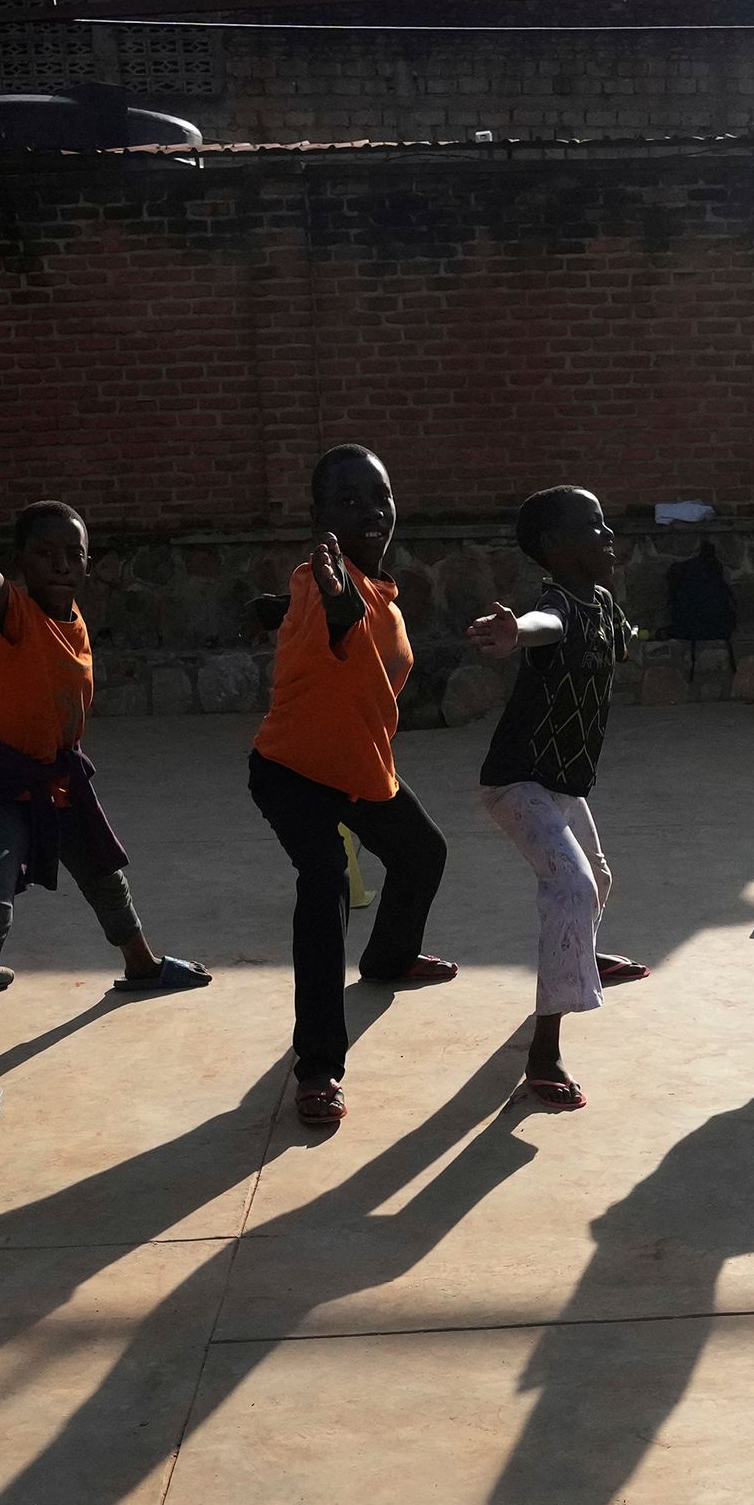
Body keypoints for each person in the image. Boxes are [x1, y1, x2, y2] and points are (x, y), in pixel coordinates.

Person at [0, 472, 212, 1133]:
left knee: (103, 873)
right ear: (21, 563)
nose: (62, 564)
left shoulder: (75, 620)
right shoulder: (15, 612)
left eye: (75, 554)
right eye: (45, 554)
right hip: (4, 782)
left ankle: (142, 966)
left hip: (60, 776)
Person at [247, 443, 452, 1134]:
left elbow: (329, 625)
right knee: (325, 883)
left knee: (423, 853)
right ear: (320, 516)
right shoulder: (321, 579)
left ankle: (389, 958)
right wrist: (329, 602)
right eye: (350, 500)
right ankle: (317, 1067)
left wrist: (292, 608)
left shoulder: (375, 587)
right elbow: (332, 615)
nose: (372, 510)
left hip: (360, 768)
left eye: (381, 495)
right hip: (293, 773)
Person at [466, 484, 654, 1112]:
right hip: (517, 782)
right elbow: (545, 625)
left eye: (607, 526)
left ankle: (582, 955)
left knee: (596, 882)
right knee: (572, 885)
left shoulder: (600, 602)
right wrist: (514, 630)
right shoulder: (559, 605)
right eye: (592, 527)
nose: (607, 536)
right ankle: (543, 1053)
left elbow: (616, 636)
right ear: (554, 547)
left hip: (562, 782)